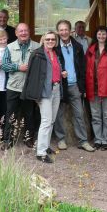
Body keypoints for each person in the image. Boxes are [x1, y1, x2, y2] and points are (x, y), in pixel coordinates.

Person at [53, 20, 95, 152]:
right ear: (58, 32)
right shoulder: (54, 46)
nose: (64, 32)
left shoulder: (77, 46)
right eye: (61, 30)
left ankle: (83, 141)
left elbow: (82, 68)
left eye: (66, 29)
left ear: (71, 31)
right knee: (58, 114)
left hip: (74, 85)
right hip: (60, 86)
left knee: (79, 114)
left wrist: (82, 87)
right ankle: (61, 139)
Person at [22, 31, 64, 163]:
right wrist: (35, 94)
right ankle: (40, 152)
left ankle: (45, 147)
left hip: (56, 89)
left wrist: (62, 74)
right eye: (48, 39)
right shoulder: (38, 54)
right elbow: (32, 76)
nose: (50, 41)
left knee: (51, 120)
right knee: (46, 121)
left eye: (53, 39)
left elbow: (55, 70)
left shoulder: (56, 53)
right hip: (44, 91)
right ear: (43, 40)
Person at [1, 23, 40, 149]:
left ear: (29, 32)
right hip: (13, 87)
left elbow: (41, 67)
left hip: (29, 88)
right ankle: (8, 139)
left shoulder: (37, 46)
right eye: (20, 31)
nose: (23, 33)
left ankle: (29, 139)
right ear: (16, 33)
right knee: (10, 114)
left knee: (29, 114)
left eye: (26, 31)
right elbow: (5, 65)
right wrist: (18, 67)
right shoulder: (10, 47)